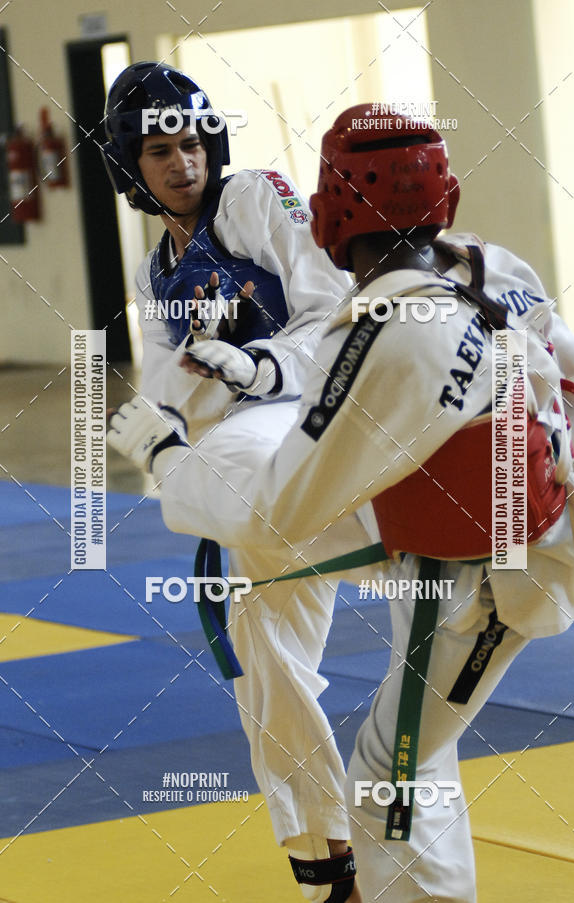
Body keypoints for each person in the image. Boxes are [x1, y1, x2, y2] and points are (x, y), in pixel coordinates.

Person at [107, 105, 574, 901]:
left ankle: (365, 875)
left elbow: (279, 508)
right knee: (271, 600)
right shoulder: (488, 266)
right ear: (447, 199)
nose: (181, 161)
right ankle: (328, 850)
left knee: (388, 780)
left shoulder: (377, 336)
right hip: (495, 527)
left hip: (485, 583)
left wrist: (166, 456)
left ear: (329, 214)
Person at [101, 63, 372, 902]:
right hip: (245, 458)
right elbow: (167, 387)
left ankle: (351, 844)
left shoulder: (251, 197)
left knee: (262, 638)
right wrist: (182, 394)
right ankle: (327, 864)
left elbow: (334, 310)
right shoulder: (153, 273)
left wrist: (257, 364)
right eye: (158, 151)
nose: (181, 162)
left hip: (311, 426)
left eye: (190, 142)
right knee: (263, 661)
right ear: (132, 167)